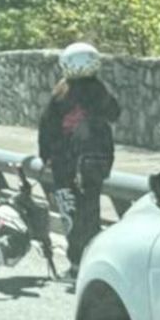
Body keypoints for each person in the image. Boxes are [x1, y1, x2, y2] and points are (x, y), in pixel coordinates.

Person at [38, 42, 120, 280]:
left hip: (66, 163)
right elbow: (115, 114)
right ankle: (90, 262)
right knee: (90, 212)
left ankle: (76, 264)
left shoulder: (61, 92)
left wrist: (46, 155)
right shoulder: (100, 91)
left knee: (71, 213)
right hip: (93, 162)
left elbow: (46, 126)